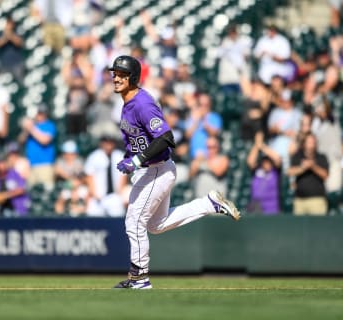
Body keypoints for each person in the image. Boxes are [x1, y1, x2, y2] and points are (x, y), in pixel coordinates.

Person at [108, 55, 240, 289]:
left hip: (157, 169)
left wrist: (137, 159)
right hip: (150, 169)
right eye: (114, 73)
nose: (116, 78)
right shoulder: (128, 102)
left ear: (133, 77)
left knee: (134, 221)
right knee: (156, 225)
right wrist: (131, 156)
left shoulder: (142, 103)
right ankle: (208, 204)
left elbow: (167, 138)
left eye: (121, 74)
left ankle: (139, 278)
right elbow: (140, 139)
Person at [83, 135, 128, 217]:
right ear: (101, 144)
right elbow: (89, 176)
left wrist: (120, 193)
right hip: (97, 196)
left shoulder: (119, 156)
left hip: (115, 195)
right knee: (94, 221)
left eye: (110, 143)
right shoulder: (94, 156)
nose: (108, 145)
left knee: (117, 219)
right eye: (106, 143)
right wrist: (94, 193)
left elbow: (123, 176)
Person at [287, 133, 329, 216]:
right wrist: (303, 167)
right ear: (304, 143)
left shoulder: (321, 157)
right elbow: (289, 172)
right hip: (300, 200)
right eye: (309, 141)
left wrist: (313, 166)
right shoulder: (298, 156)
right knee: (298, 227)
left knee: (317, 227)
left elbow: (325, 175)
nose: (311, 144)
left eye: (313, 141)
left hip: (317, 200)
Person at [18, 105, 57, 189]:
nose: (39, 116)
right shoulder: (32, 127)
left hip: (45, 165)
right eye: (38, 113)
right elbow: (20, 141)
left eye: (41, 113)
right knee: (30, 193)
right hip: (31, 166)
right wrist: (26, 130)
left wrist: (31, 128)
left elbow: (44, 140)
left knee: (47, 192)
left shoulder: (49, 125)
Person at [246, 132, 282, 215]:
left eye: (269, 162)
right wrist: (256, 144)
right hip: (256, 207)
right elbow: (250, 162)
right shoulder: (257, 171)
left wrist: (262, 145)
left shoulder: (275, 172)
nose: (267, 164)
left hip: (272, 209)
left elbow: (277, 159)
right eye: (265, 162)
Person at [0, 16, 24, 82]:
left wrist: (10, 35)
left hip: (17, 64)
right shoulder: (0, 33)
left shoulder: (16, 31)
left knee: (20, 81)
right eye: (9, 24)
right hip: (4, 64)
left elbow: (19, 43)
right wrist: (6, 36)